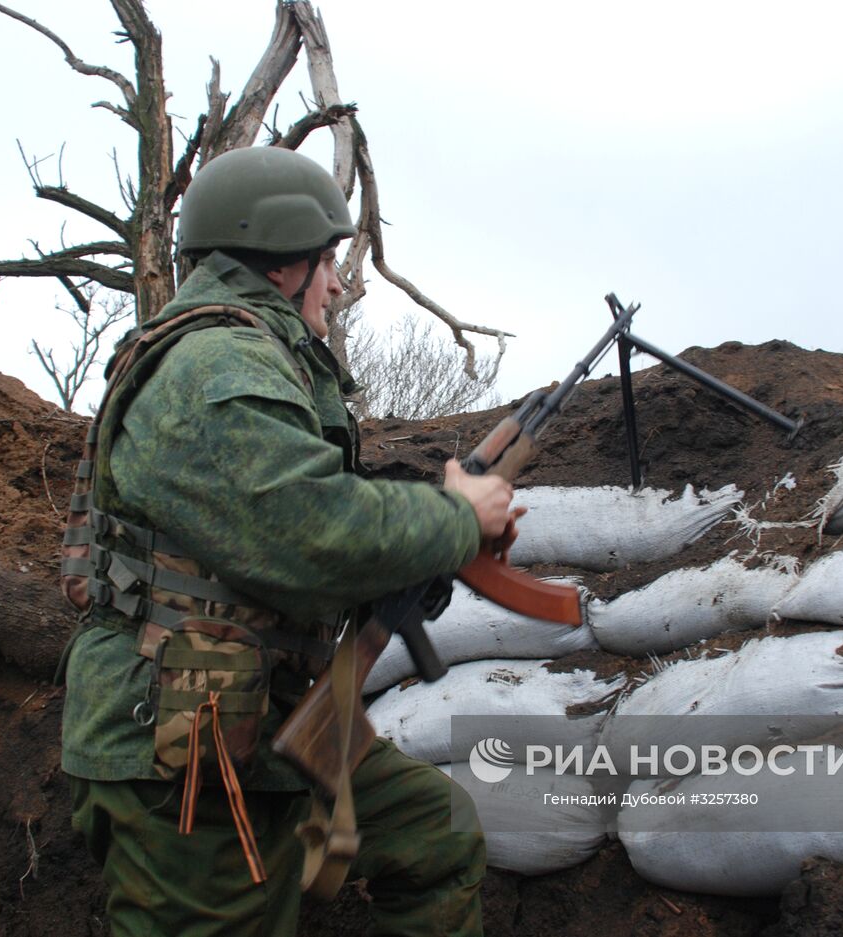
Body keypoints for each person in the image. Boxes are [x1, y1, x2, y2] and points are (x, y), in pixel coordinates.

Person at [60, 145, 517, 937]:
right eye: (329, 258)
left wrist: (422, 553)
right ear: (279, 263)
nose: (338, 282)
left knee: (431, 832)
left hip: (265, 714)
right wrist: (454, 519)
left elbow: (278, 542)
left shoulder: (255, 357)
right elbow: (305, 528)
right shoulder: (212, 364)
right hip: (180, 743)